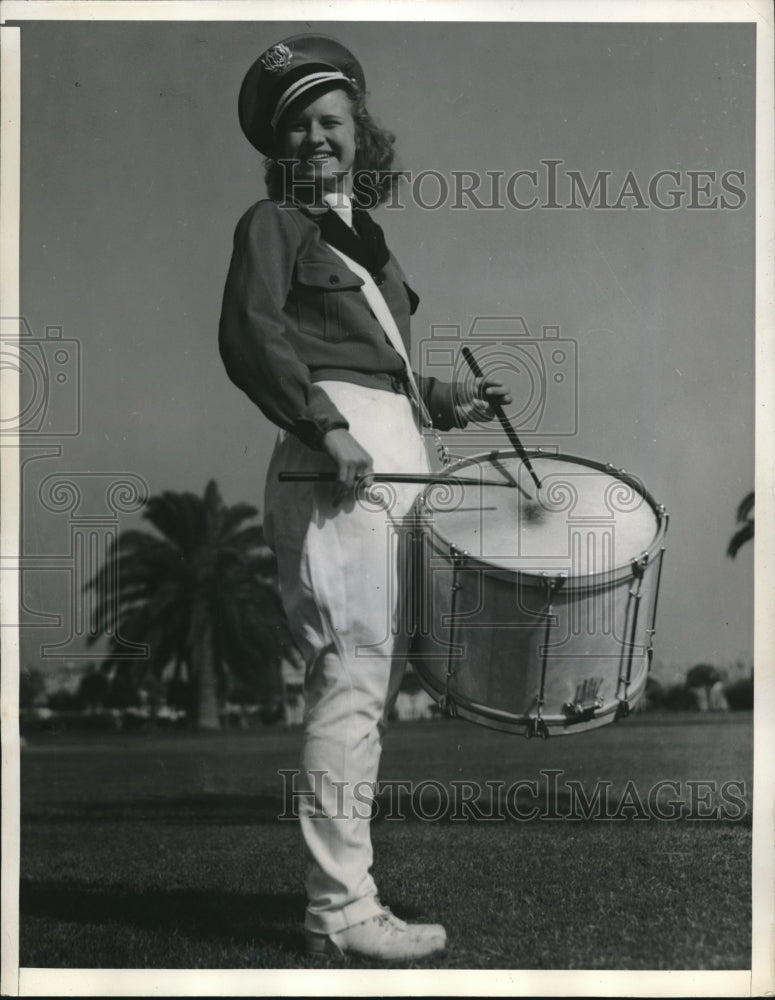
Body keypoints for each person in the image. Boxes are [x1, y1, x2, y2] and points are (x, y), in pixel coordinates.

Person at [219, 33, 511, 961]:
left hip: (389, 446)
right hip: (335, 456)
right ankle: (341, 910)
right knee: (348, 678)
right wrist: (322, 426)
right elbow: (252, 335)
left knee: (367, 682)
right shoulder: (272, 225)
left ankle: (346, 897)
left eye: (330, 121)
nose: (315, 139)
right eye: (297, 127)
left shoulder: (365, 240)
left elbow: (383, 369)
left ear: (359, 131)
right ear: (279, 148)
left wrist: (447, 399)